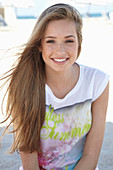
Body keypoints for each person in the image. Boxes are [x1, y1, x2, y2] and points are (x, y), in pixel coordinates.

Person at [0, 3, 109, 170]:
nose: (60, 50)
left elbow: (91, 155)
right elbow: (29, 157)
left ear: (79, 43)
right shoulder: (24, 84)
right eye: (51, 41)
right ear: (39, 45)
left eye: (69, 40)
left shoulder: (97, 82)